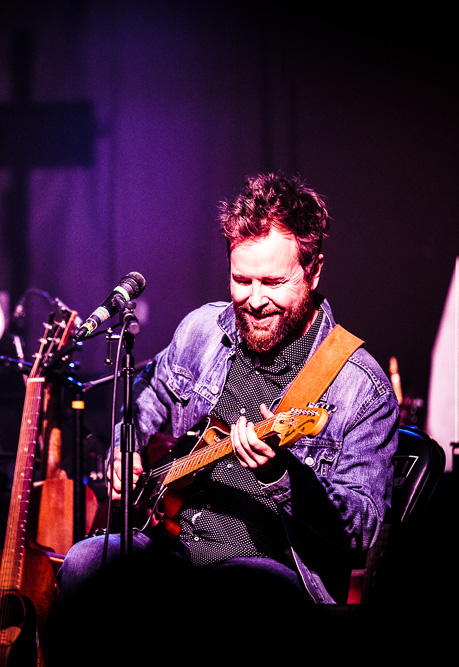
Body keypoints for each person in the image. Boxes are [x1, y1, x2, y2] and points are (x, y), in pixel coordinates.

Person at [56, 173, 398, 622]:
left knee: (236, 591)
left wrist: (282, 476)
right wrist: (123, 451)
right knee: (85, 565)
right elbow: (143, 400)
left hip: (273, 572)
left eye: (273, 282)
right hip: (171, 541)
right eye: (242, 280)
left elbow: (363, 528)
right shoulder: (201, 330)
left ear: (313, 271)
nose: (254, 300)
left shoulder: (359, 385)